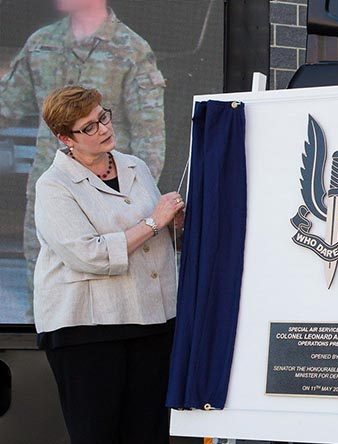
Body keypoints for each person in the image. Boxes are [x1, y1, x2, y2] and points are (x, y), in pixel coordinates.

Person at [33, 86, 181, 444]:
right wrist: (154, 223)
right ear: (65, 138)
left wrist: (175, 224)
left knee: (150, 434)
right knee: (97, 434)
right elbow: (89, 254)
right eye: (89, 126)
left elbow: (154, 235)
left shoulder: (136, 166)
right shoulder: (53, 185)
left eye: (103, 116)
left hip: (151, 320)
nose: (103, 128)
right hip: (86, 328)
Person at [0, 0, 166, 301]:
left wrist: (142, 202)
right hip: (53, 198)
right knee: (45, 292)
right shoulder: (41, 43)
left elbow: (150, 137)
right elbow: (6, 106)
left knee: (116, 294)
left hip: (114, 201)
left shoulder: (131, 49)